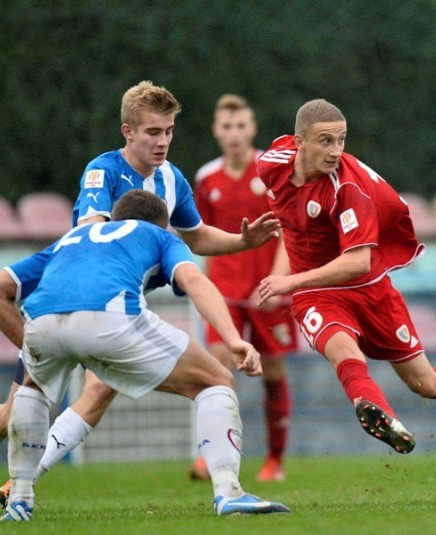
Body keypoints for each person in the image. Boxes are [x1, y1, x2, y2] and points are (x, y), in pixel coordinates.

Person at [0, 81, 280, 507]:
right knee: (15, 413)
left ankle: (19, 486)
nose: (162, 141)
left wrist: (242, 241)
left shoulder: (172, 178)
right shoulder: (103, 170)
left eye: (168, 131)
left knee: (99, 391)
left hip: (114, 308)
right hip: (76, 293)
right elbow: (95, 235)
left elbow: (196, 234)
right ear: (128, 131)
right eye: (152, 132)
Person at [0, 189, 290, 521]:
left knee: (32, 390)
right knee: (216, 380)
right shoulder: (158, 236)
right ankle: (229, 493)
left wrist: (29, 345)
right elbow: (194, 280)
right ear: (162, 224)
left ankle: (19, 498)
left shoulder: (71, 239)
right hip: (110, 317)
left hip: (41, 319)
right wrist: (233, 339)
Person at [255, 99, 436, 468]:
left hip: (369, 290)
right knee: (345, 352)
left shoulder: (347, 189)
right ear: (299, 143)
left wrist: (289, 280)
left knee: (424, 383)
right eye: (325, 141)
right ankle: (378, 413)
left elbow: (358, 263)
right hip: (317, 294)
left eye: (341, 140)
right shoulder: (270, 165)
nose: (336, 150)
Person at [189, 94, 296, 482]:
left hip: (268, 290)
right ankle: (213, 455)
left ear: (252, 129)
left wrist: (277, 283)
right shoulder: (206, 179)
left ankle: (275, 461)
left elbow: (290, 231)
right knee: (218, 364)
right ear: (216, 131)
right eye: (227, 126)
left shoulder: (272, 170)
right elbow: (200, 236)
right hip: (225, 293)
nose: (234, 133)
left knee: (272, 369)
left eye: (240, 126)